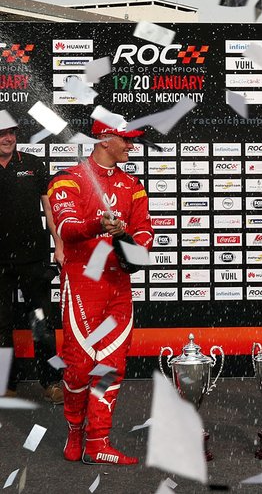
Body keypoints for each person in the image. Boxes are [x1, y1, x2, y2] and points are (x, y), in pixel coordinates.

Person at [48, 118, 153, 465]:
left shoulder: (132, 185)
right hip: (82, 282)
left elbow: (144, 231)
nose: (131, 147)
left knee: (110, 365)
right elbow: (67, 228)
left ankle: (98, 441)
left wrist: (133, 245)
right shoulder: (68, 179)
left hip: (117, 287)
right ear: (106, 139)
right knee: (79, 367)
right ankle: (75, 431)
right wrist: (99, 225)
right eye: (126, 140)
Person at [0, 110, 64, 403]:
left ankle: (51, 382)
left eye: (11, 133)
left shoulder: (34, 165)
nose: (8, 138)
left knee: (41, 323)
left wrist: (59, 245)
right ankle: (6, 383)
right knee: (1, 326)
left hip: (34, 259)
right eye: (2, 134)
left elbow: (50, 211)